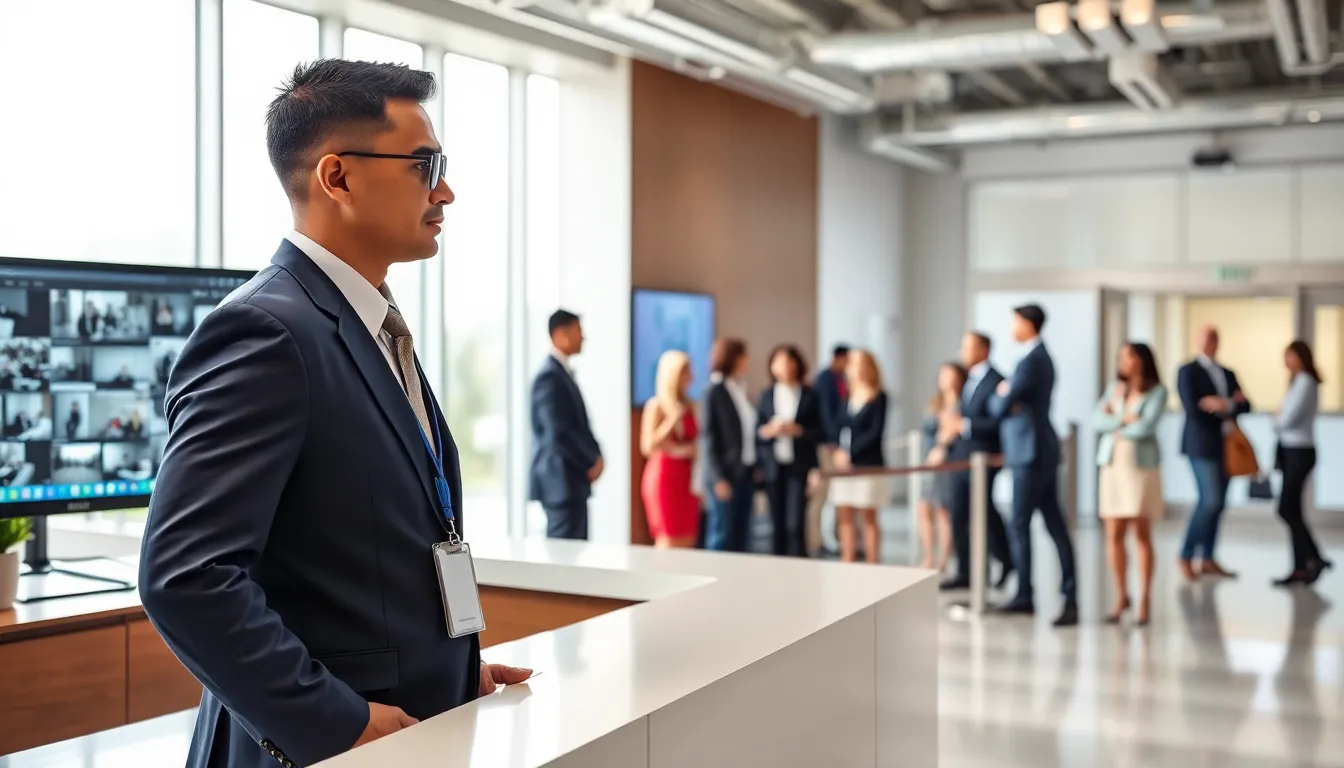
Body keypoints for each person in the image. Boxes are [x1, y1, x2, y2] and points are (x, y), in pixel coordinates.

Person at [138, 60, 530, 768]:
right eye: (424, 164)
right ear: (337, 177)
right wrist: (334, 722)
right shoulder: (267, 332)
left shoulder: (367, 324)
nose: (445, 190)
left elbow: (357, 554)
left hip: (405, 728)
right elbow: (187, 575)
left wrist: (446, 672)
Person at [989, 304, 1077, 627]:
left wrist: (1003, 395)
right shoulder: (1033, 358)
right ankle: (1055, 593)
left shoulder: (1033, 361)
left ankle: (1027, 594)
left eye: (1015, 322)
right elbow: (1004, 401)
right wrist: (1004, 396)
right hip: (1035, 451)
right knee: (1051, 523)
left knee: (1023, 524)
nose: (1012, 328)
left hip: (1031, 453)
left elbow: (999, 404)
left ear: (1027, 324)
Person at [1093, 342, 1166, 626]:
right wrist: (1123, 419)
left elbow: (1145, 427)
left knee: (1141, 534)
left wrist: (1116, 421)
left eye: (1128, 356)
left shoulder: (1157, 391)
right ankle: (1121, 594)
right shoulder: (1114, 388)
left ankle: (1144, 597)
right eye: (1120, 356)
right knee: (1113, 534)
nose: (1122, 361)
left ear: (1141, 360)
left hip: (1139, 468)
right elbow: (1096, 420)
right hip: (1112, 465)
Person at [1176, 324, 1250, 581]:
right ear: (1198, 340)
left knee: (1219, 505)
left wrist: (1223, 404)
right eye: (1206, 337)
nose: (1211, 342)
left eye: (1214, 338)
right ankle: (1186, 554)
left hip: (1226, 446)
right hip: (1201, 445)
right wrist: (1230, 406)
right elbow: (1193, 408)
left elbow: (1246, 404)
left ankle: (1207, 558)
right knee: (1210, 500)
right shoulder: (1188, 371)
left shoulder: (1227, 373)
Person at [945, 331, 1013, 591]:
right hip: (961, 457)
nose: (963, 352)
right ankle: (965, 571)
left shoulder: (997, 380)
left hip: (983, 456)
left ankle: (1005, 560)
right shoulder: (968, 379)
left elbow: (997, 422)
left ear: (983, 349)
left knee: (984, 511)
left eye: (968, 347)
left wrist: (965, 425)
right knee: (959, 513)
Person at [528, 309, 603, 540]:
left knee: (574, 557)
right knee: (562, 560)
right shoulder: (549, 377)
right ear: (560, 334)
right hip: (561, 483)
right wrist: (590, 461)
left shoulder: (560, 373)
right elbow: (557, 433)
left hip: (570, 484)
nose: (583, 337)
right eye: (578, 331)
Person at [1272, 340, 1331, 586]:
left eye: (1290, 356)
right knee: (1293, 509)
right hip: (1290, 450)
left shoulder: (1306, 382)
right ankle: (1299, 567)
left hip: (1300, 450)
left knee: (1286, 508)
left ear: (1300, 357)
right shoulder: (1297, 381)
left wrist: (1277, 419)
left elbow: (1287, 419)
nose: (1287, 361)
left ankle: (1315, 557)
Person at [756, 344, 823, 557]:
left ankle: (799, 567)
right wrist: (769, 431)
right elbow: (756, 431)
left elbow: (821, 431)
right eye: (779, 362)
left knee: (795, 523)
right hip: (773, 467)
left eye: (788, 361)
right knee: (776, 523)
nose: (784, 366)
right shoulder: (766, 395)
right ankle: (778, 569)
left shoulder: (809, 394)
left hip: (799, 465)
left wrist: (798, 431)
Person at [831, 350, 888, 564]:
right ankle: (848, 559)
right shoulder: (847, 395)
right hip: (844, 465)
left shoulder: (878, 396)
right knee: (845, 515)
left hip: (867, 463)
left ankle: (872, 561)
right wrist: (838, 451)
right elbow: (839, 427)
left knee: (868, 515)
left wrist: (851, 453)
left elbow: (875, 432)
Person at [701, 338, 757, 552]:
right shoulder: (713, 391)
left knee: (742, 535)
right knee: (721, 535)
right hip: (725, 475)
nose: (747, 361)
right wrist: (718, 478)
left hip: (745, 471)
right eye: (743, 357)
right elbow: (708, 438)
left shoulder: (739, 389)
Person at [640, 350, 700, 548]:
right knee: (668, 537)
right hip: (665, 478)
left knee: (687, 538)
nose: (689, 376)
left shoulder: (691, 405)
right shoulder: (656, 406)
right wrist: (672, 418)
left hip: (687, 478)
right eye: (684, 371)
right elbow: (648, 446)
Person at [915, 362, 964, 572]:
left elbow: (955, 430)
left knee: (944, 510)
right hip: (930, 462)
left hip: (948, 462)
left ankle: (943, 560)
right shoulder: (936, 403)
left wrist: (942, 446)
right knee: (924, 507)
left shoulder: (962, 403)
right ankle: (928, 556)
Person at [807, 345, 849, 556]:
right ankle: (814, 541)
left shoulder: (840, 379)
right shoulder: (825, 379)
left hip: (837, 444)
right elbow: (825, 412)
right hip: (827, 445)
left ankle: (841, 539)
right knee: (821, 495)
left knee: (839, 495)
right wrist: (832, 440)